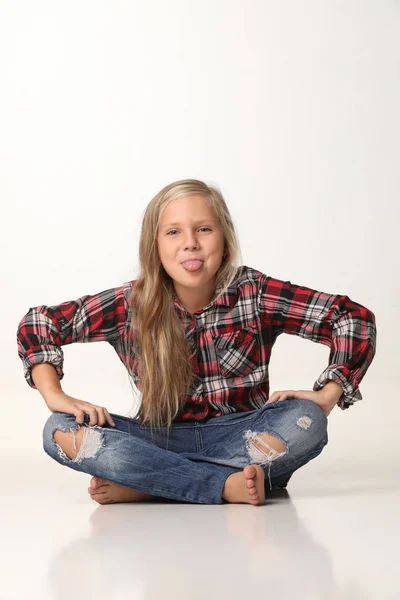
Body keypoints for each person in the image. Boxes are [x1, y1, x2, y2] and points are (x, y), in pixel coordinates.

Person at [16, 179, 377, 506]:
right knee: (59, 430)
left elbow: (350, 317)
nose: (190, 242)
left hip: (244, 435)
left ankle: (152, 483)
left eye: (203, 229)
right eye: (173, 232)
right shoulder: (131, 303)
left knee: (308, 420)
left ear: (224, 238)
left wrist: (329, 395)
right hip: (158, 438)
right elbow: (41, 322)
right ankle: (222, 485)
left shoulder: (253, 292)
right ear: (154, 245)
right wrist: (54, 394)